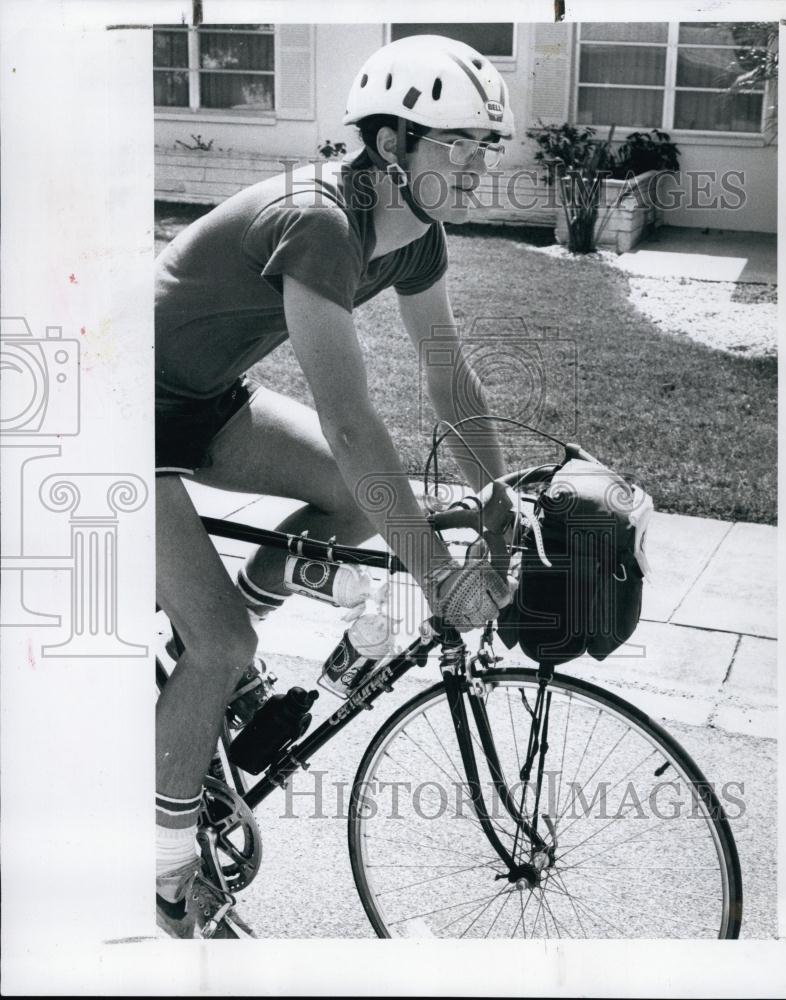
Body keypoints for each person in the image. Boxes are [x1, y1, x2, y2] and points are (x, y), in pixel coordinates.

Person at [154, 34, 515, 938]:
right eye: (455, 144)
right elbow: (354, 425)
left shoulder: (416, 236)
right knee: (221, 645)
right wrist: (435, 571)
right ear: (391, 147)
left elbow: (446, 375)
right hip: (111, 410)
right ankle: (161, 874)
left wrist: (502, 499)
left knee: (356, 503)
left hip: (201, 398)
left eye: (486, 146)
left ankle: (226, 648)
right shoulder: (320, 220)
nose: (477, 167)